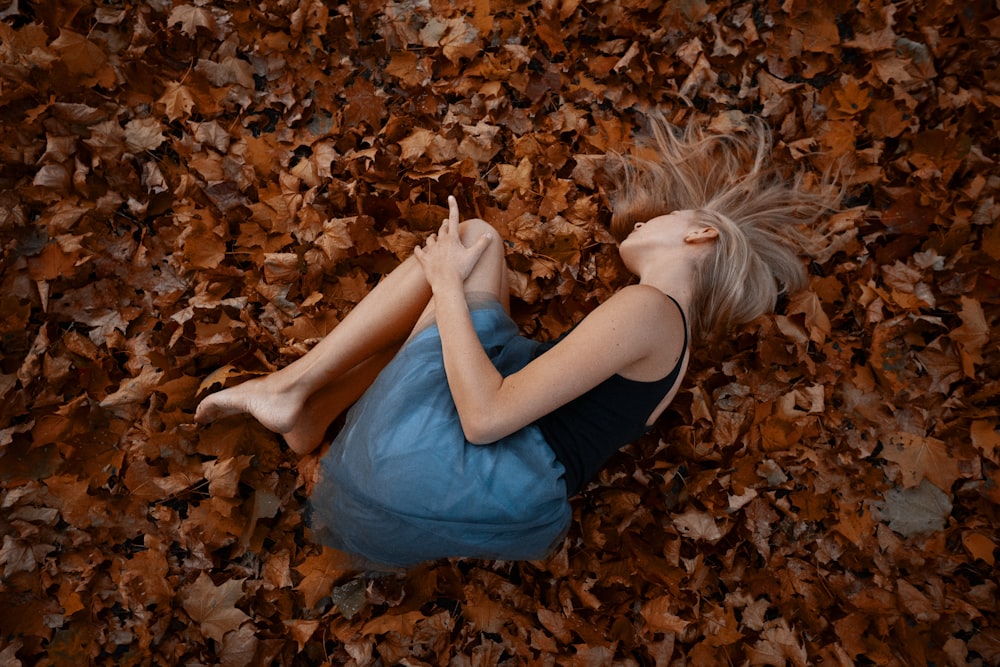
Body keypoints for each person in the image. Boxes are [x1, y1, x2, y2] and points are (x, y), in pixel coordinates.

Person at [195, 115, 837, 569]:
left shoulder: (650, 311)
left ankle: (292, 387)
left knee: (464, 254)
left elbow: (487, 417)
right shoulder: (672, 346)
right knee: (480, 249)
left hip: (449, 465)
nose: (649, 218)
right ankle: (313, 406)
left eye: (666, 217)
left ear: (700, 237)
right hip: (478, 500)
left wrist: (445, 285)